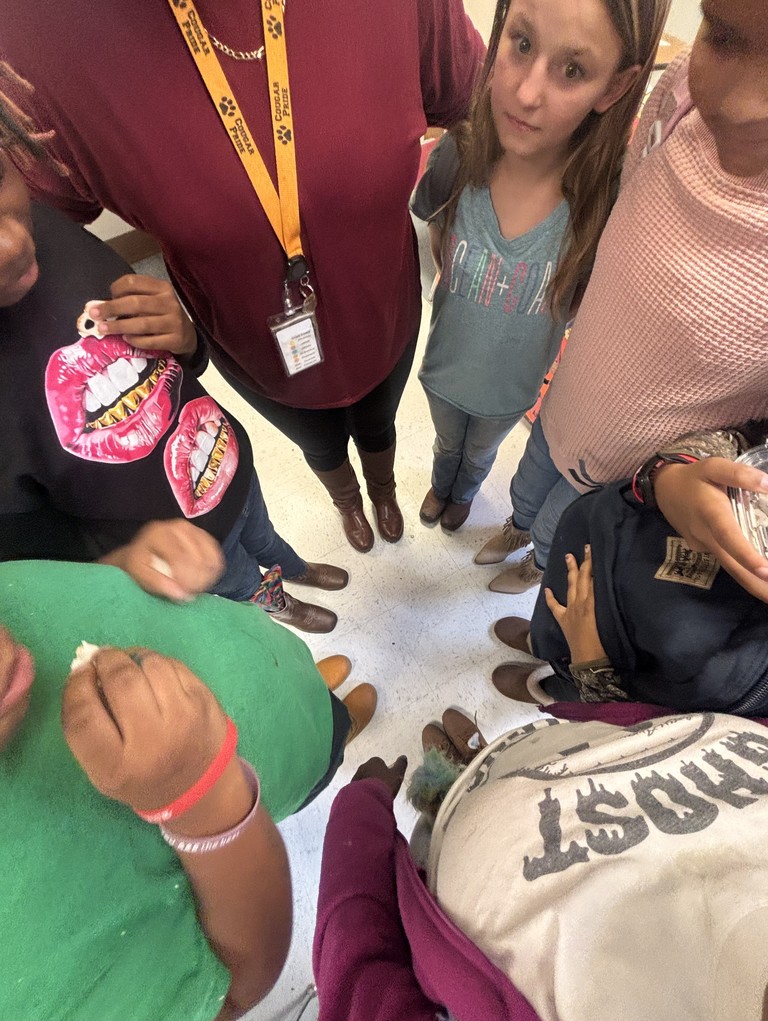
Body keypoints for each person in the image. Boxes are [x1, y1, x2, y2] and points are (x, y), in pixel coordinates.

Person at [0, 0, 485, 554]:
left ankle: (381, 489)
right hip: (252, 344)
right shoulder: (35, 31)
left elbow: (479, 103)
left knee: (379, 424)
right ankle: (346, 499)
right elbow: (28, 245)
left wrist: (466, 221)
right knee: (318, 443)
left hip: (383, 313)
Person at [0, 75, 348, 634]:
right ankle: (274, 602)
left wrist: (185, 336)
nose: (12, 244)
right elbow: (39, 574)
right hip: (186, 553)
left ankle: (291, 564)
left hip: (228, 461)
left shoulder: (50, 228)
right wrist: (126, 563)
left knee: (263, 531)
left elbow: (176, 368)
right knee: (239, 580)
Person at [0, 554, 376, 1021]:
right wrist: (200, 790)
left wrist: (124, 563)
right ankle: (337, 730)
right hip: (258, 789)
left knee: (293, 694)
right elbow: (236, 988)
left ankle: (308, 694)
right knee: (323, 738)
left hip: (240, 654)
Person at [475, 0, 768, 596]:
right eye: (725, 36)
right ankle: (516, 526)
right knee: (529, 485)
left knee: (567, 531)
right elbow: (628, 207)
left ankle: (537, 564)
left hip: (633, 468)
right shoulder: (681, 90)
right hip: (568, 398)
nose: (739, 103)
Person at [315, 706, 768, 1021]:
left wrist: (360, 810)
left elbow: (358, 973)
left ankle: (457, 788)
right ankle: (483, 760)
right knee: (509, 766)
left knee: (444, 822)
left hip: (457, 852)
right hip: (576, 747)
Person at [411, 0, 668, 532]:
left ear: (614, 88)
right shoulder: (456, 156)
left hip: (512, 391)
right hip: (443, 369)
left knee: (480, 451)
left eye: (572, 70)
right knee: (446, 440)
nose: (526, 94)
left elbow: (584, 298)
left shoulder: (603, 201)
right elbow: (438, 239)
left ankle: (464, 491)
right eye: (522, 43)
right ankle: (442, 484)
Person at [491, 421, 768, 713]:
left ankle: (549, 688)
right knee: (563, 604)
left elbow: (654, 726)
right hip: (624, 551)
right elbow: (748, 438)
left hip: (632, 667)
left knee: (572, 686)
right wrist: (672, 474)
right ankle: (545, 642)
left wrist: (591, 667)